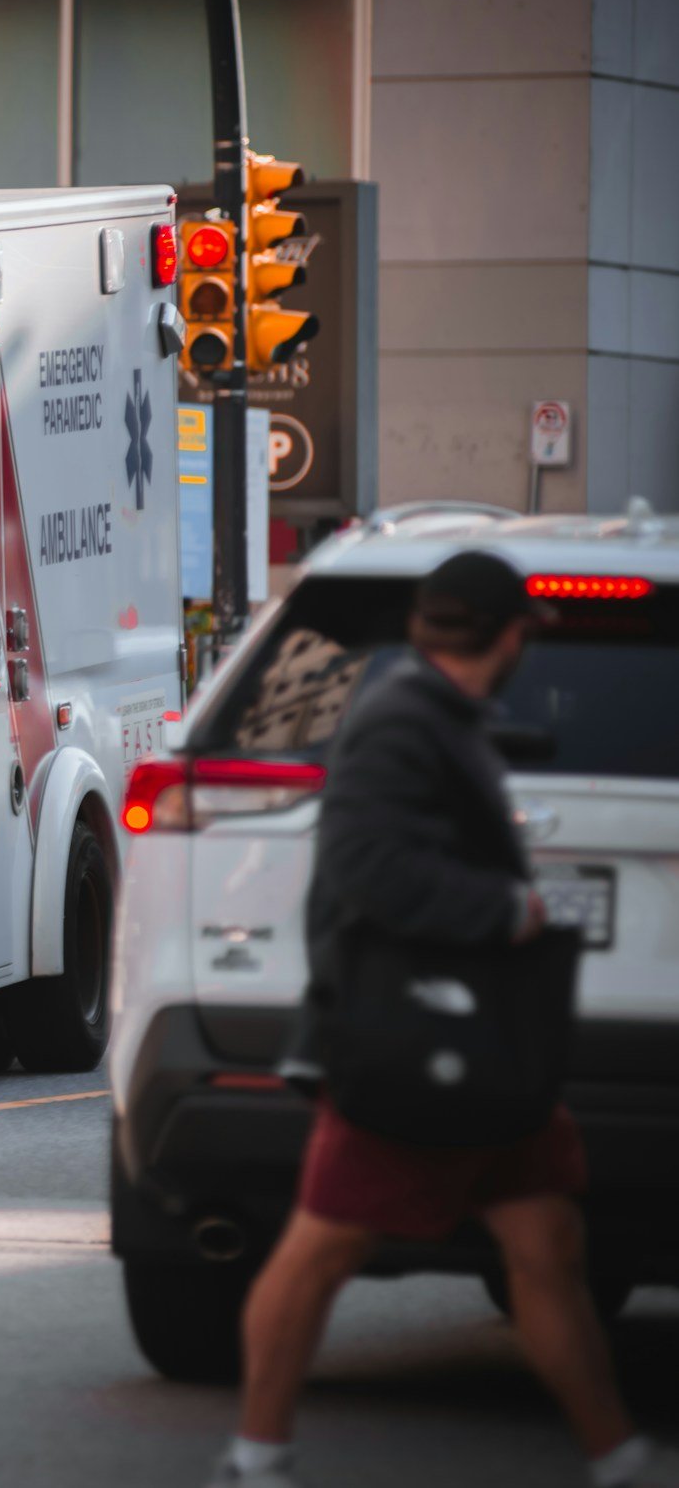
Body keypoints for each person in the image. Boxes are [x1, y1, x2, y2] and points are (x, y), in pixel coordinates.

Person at [213, 551, 671, 1488]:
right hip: (416, 1040)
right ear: (509, 636)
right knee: (323, 1247)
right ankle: (255, 1458)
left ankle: (617, 1453)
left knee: (546, 1244)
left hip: (482, 1046)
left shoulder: (434, 714)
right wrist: (504, 909)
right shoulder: (401, 722)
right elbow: (368, 868)